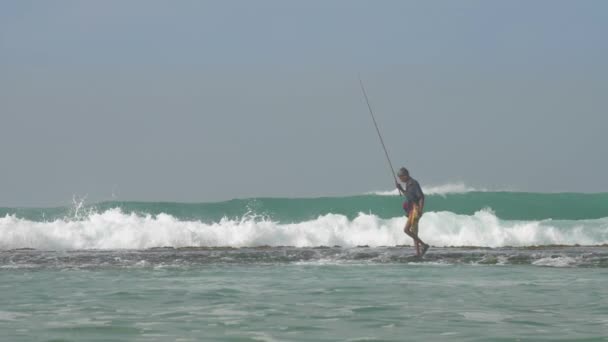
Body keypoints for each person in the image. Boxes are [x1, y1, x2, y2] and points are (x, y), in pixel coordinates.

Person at [396, 167, 429, 257]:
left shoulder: (413, 183)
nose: (400, 179)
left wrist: (420, 210)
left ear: (405, 175)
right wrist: (401, 189)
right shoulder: (408, 184)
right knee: (412, 232)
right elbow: (408, 196)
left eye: (401, 177)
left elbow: (421, 197)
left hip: (415, 209)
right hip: (411, 210)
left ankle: (423, 246)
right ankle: (418, 253)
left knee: (407, 230)